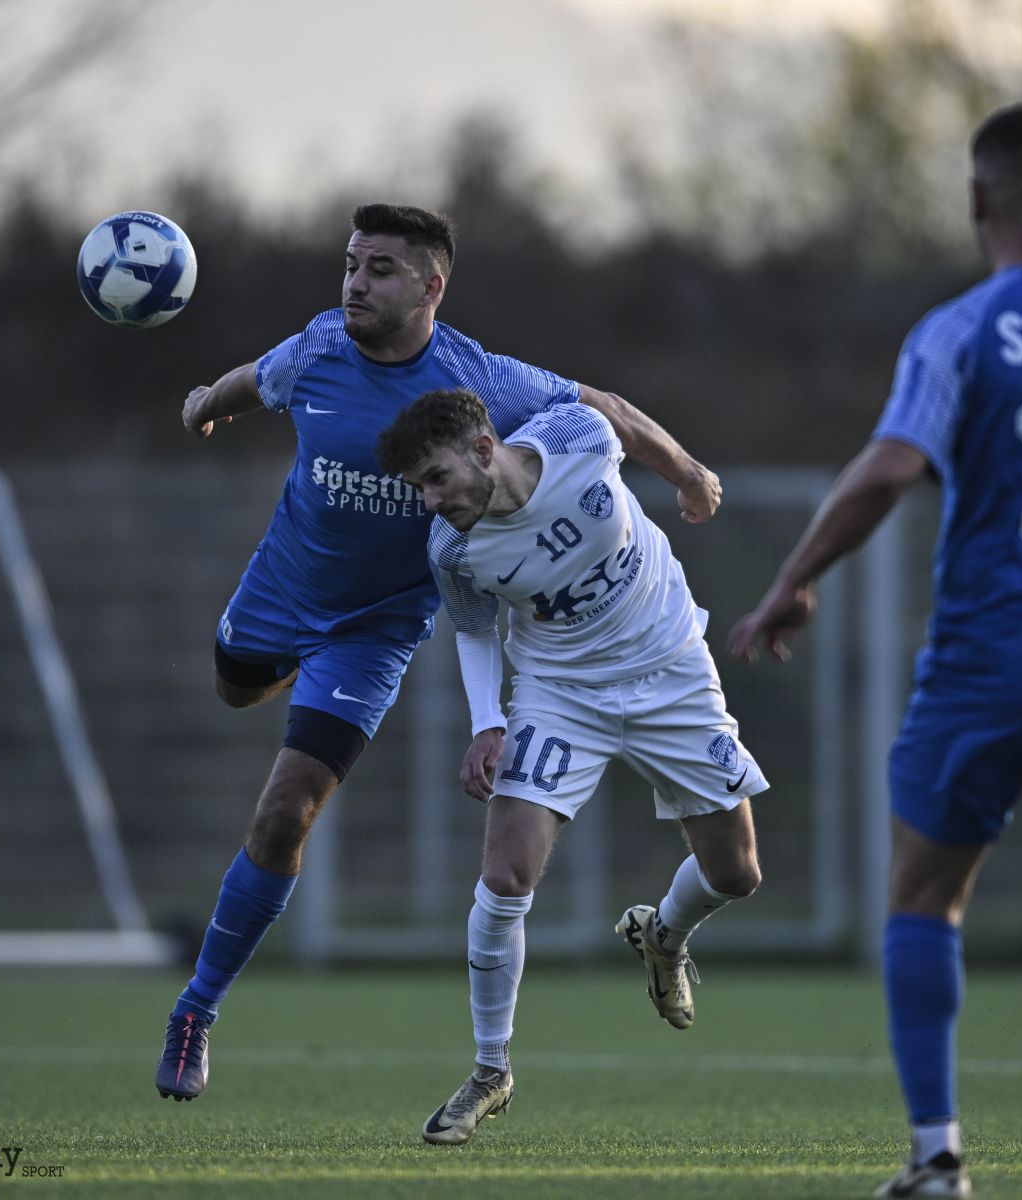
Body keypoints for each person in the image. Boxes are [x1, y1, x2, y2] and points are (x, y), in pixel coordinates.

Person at [155, 203, 725, 1101]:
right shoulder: (316, 348)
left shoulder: (482, 381)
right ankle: (294, 678)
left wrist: (685, 472)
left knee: (285, 812)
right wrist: (200, 406)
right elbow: (250, 381)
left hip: (374, 631)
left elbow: (605, 410)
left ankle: (195, 1009)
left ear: (431, 286)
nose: (355, 283)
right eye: (350, 264)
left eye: (379, 269)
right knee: (234, 689)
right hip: (281, 592)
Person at [728, 103, 1022, 1200]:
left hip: (990, 660)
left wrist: (793, 580)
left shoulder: (959, 330)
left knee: (925, 897)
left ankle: (936, 1158)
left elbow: (891, 466)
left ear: (976, 199)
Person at [375, 387, 767, 1145]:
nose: (430, 501)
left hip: (671, 671)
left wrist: (687, 473)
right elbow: (474, 631)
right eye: (418, 487)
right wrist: (488, 722)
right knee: (505, 876)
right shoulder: (452, 548)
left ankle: (664, 935)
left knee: (737, 874)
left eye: (436, 478)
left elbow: (620, 415)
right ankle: (490, 1070)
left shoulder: (575, 436)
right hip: (560, 695)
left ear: (483, 450)